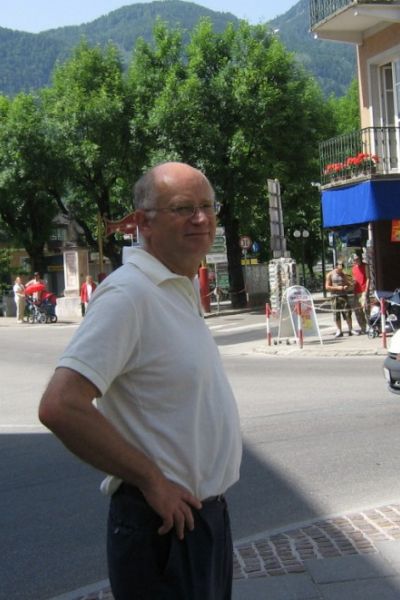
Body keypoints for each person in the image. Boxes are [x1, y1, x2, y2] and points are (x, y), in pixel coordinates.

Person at [39, 162, 242, 600]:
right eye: (182, 208)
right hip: (164, 525)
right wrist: (152, 480)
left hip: (200, 521)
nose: (201, 219)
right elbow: (61, 405)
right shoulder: (129, 294)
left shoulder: (174, 286)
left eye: (208, 206)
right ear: (143, 223)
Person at [325, 261, 356, 337]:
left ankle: (351, 329)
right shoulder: (330, 274)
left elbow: (348, 284)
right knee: (336, 314)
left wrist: (347, 286)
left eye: (343, 265)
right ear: (336, 266)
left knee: (348, 313)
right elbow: (327, 287)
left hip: (344, 296)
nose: (342, 267)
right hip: (334, 296)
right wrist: (337, 288)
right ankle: (339, 330)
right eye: (340, 265)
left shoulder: (343, 274)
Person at [351, 254, 370, 334]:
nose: (356, 260)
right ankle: (363, 327)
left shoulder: (365, 266)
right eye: (355, 259)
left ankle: (369, 325)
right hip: (356, 291)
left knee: (365, 309)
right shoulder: (353, 268)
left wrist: (366, 290)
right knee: (357, 310)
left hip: (363, 290)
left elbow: (368, 278)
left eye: (357, 259)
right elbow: (354, 279)